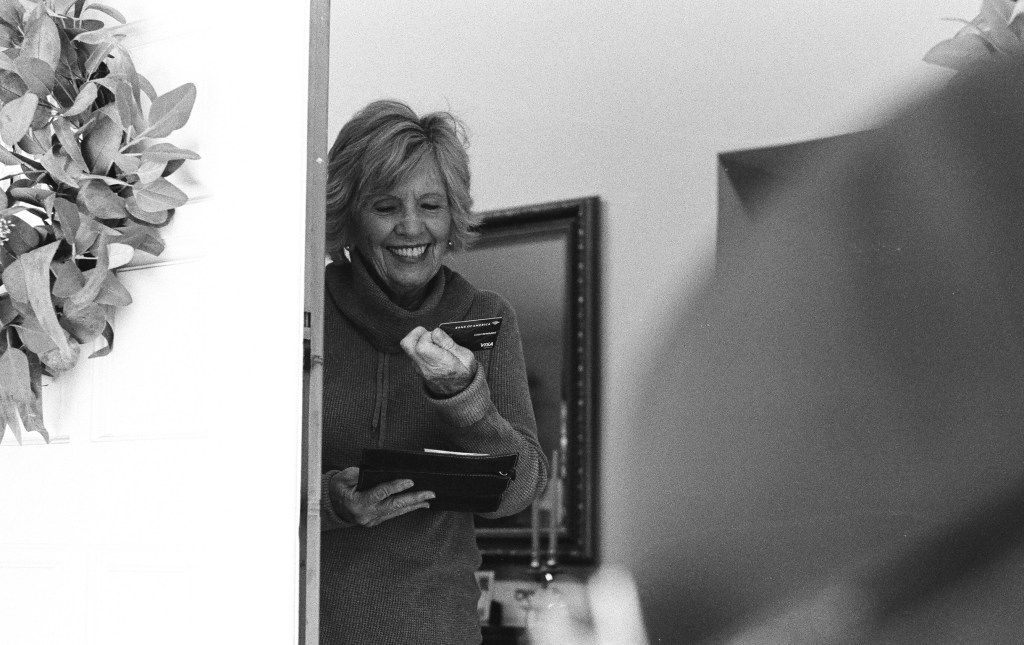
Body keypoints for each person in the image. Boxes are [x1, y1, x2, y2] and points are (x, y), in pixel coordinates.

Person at [319, 99, 549, 645]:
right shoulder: (303, 310)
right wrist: (330, 502)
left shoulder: (487, 316)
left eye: (430, 205)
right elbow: (232, 476)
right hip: (306, 622)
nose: (411, 226)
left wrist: (464, 396)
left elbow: (521, 490)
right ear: (350, 215)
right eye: (385, 206)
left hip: (437, 629)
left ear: (452, 217)